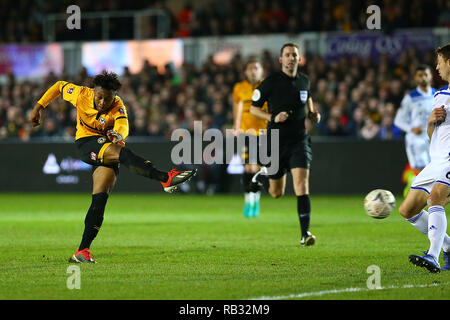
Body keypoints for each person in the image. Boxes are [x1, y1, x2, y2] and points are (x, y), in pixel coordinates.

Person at [29, 71, 196, 264]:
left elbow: (123, 125)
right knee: (122, 154)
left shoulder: (118, 106)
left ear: (114, 97)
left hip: (106, 145)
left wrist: (119, 135)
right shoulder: (81, 94)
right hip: (86, 143)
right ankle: (164, 178)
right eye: (99, 97)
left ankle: (82, 250)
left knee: (99, 200)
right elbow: (59, 86)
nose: (101, 102)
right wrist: (38, 107)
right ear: (94, 92)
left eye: (106, 99)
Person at [249, 43, 321, 246]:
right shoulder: (270, 82)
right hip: (276, 142)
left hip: (299, 140)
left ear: (300, 59)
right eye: (287, 55)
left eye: (294, 55)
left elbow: (308, 102)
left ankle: (304, 234)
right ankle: (263, 175)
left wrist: (313, 114)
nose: (291, 58)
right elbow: (254, 109)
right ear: (281, 59)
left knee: (301, 185)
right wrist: (273, 117)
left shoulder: (304, 81)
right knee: (276, 193)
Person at [398, 44, 450, 273]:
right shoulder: (440, 95)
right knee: (407, 210)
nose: (436, 67)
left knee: (437, 196)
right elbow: (433, 135)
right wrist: (430, 122)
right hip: (436, 160)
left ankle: (433, 256)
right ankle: (448, 246)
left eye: (439, 61)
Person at [232, 57, 268, 218]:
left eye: (256, 68)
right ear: (246, 71)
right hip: (245, 132)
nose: (253, 71)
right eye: (251, 68)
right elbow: (237, 107)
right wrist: (236, 126)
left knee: (257, 168)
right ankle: (249, 199)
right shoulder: (239, 88)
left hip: (263, 132)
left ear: (261, 71)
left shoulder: (267, 86)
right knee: (248, 168)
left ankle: (256, 198)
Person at [394, 65, 436, 197]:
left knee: (433, 169)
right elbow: (398, 120)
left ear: (431, 76)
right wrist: (411, 129)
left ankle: (420, 193)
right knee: (420, 169)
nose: (423, 77)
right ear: (415, 78)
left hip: (434, 137)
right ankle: (413, 194)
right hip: (416, 139)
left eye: (426, 74)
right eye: (420, 75)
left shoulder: (437, 94)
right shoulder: (410, 98)